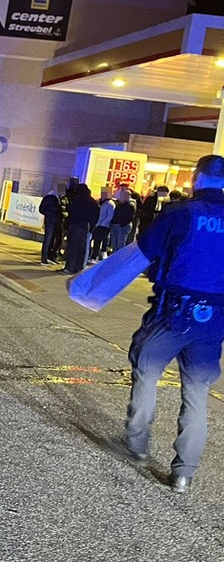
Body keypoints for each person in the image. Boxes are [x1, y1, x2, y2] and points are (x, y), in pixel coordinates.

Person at [119, 155, 224, 493]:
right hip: (215, 320)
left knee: (146, 368)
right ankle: (183, 474)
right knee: (197, 392)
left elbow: (144, 251)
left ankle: (136, 444)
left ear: (196, 178)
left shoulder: (181, 213)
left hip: (175, 313)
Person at [63, 183, 98, 274]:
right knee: (81, 248)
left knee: (72, 247)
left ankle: (70, 267)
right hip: (84, 226)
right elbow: (95, 216)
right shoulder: (92, 202)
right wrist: (92, 227)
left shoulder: (77, 200)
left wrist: (67, 223)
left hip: (74, 225)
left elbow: (70, 211)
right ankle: (78, 268)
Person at [109, 187, 136, 254]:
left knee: (120, 243)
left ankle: (120, 256)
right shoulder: (120, 204)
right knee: (114, 243)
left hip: (121, 226)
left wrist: (122, 225)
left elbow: (129, 217)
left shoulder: (130, 205)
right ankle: (115, 256)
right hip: (115, 225)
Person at [39, 190, 63, 265]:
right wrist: (51, 215)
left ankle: (50, 256)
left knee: (55, 239)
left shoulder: (59, 198)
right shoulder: (49, 197)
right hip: (50, 221)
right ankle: (44, 259)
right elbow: (42, 209)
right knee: (48, 239)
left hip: (57, 222)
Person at [90, 191, 114, 262]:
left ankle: (98, 255)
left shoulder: (110, 204)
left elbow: (109, 216)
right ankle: (94, 255)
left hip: (104, 226)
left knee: (102, 240)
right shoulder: (99, 201)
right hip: (97, 224)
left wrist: (101, 223)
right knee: (96, 241)